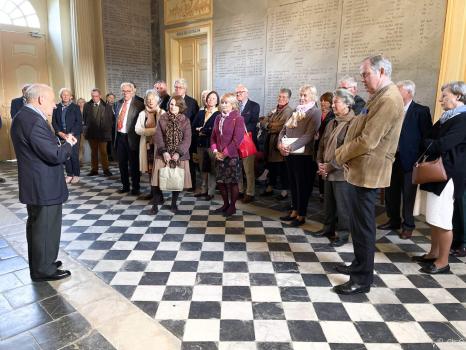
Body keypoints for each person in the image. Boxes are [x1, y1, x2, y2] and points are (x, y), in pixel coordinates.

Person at [333, 55, 404, 295]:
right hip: (360, 168)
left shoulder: (390, 99)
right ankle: (358, 265)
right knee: (357, 223)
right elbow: (359, 127)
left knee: (363, 227)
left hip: (369, 170)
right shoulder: (379, 97)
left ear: (381, 71)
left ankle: (362, 280)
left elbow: (368, 139)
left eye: (365, 74)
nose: (363, 79)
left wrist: (340, 154)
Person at [10, 83, 78, 281]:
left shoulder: (24, 116)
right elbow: (55, 155)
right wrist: (68, 145)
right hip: (43, 185)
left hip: (38, 183)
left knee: (38, 227)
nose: (55, 105)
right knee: (45, 228)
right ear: (40, 100)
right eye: (52, 100)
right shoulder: (33, 120)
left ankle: (42, 262)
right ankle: (43, 270)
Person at [412, 81, 466, 274]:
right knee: (433, 217)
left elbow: (441, 144)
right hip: (436, 172)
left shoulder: (463, 119)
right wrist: (431, 142)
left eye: (445, 95)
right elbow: (427, 137)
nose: (440, 99)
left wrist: (431, 143)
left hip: (448, 175)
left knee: (443, 220)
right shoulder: (446, 118)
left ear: (458, 97)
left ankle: (443, 261)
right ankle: (433, 253)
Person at [378, 80, 432, 239]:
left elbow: (426, 137)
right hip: (391, 158)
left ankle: (408, 225)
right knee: (391, 192)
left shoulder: (421, 111)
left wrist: (420, 159)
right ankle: (393, 219)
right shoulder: (392, 109)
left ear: (408, 93)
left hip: (411, 160)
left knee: (408, 195)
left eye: (398, 90)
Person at [313, 88, 356, 247]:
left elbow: (348, 150)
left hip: (341, 172)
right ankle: (328, 228)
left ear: (347, 104)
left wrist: (331, 166)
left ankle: (343, 234)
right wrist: (320, 162)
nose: (332, 106)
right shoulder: (332, 121)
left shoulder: (353, 123)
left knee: (343, 205)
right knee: (328, 203)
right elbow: (322, 144)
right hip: (327, 169)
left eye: (335, 102)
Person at [278, 85, 321, 227]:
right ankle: (294, 211)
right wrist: (280, 144)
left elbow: (308, 135)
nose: (302, 98)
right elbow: (284, 129)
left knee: (302, 186)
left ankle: (301, 214)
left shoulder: (314, 112)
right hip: (290, 154)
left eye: (305, 95)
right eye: (301, 95)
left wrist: (290, 147)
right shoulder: (296, 110)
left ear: (313, 97)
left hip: (304, 156)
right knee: (293, 184)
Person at [152, 95, 192, 214]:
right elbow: (158, 136)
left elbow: (187, 139)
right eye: (171, 104)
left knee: (177, 180)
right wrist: (164, 152)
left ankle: (174, 204)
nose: (172, 106)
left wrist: (178, 154)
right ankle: (155, 205)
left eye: (175, 104)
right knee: (156, 181)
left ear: (181, 106)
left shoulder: (185, 120)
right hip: (163, 153)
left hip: (180, 155)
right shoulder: (162, 118)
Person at [210, 93, 245, 217]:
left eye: (226, 103)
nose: (223, 105)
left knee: (232, 183)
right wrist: (215, 151)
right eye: (222, 102)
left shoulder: (238, 118)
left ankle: (232, 206)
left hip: (231, 156)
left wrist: (224, 154)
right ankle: (225, 204)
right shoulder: (218, 118)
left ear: (233, 105)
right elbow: (213, 137)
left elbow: (237, 140)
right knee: (221, 182)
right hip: (218, 155)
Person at [260, 88, 293, 199]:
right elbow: (263, 121)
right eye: (279, 96)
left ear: (288, 99)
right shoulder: (275, 109)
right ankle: (270, 187)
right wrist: (269, 124)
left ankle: (284, 192)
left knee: (282, 168)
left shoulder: (288, 111)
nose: (281, 99)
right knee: (272, 166)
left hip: (280, 143)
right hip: (270, 143)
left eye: (284, 97)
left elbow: (282, 126)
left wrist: (268, 126)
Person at [192, 90, 220, 200]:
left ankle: (211, 191)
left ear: (217, 101)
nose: (210, 100)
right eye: (209, 98)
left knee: (212, 168)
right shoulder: (200, 113)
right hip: (200, 144)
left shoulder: (218, 114)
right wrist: (202, 130)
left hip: (211, 145)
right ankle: (203, 189)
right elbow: (193, 126)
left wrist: (203, 130)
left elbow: (214, 130)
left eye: (213, 98)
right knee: (202, 168)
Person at [135, 90, 163, 199]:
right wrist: (153, 130)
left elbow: (162, 130)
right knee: (150, 171)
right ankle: (153, 193)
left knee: (158, 170)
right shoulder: (142, 113)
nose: (150, 101)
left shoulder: (162, 113)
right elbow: (137, 129)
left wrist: (147, 130)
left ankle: (159, 195)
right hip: (146, 146)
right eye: (148, 99)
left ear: (157, 100)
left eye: (153, 99)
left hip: (158, 146)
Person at [52, 88, 83, 184]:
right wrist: (59, 132)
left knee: (73, 155)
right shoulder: (56, 107)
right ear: (61, 96)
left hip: (73, 135)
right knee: (65, 155)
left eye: (67, 95)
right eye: (63, 95)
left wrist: (71, 134)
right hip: (62, 135)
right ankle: (69, 174)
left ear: (71, 97)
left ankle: (76, 175)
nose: (65, 96)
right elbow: (54, 121)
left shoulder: (75, 107)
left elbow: (78, 122)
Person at [173, 78, 200, 191]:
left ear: (185, 89)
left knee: (189, 162)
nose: (178, 89)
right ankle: (176, 183)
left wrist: (188, 132)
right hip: (174, 136)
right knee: (175, 159)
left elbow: (195, 119)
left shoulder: (192, 102)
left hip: (188, 136)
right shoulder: (171, 100)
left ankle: (190, 184)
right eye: (176, 87)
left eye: (180, 87)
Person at [236, 84, 260, 203]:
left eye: (241, 92)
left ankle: (250, 193)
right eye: (237, 92)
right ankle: (240, 190)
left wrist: (239, 129)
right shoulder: (234, 106)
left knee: (248, 169)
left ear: (247, 93)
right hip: (235, 142)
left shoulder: (254, 106)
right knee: (238, 168)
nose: (238, 94)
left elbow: (253, 123)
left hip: (247, 141)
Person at [83, 88, 113, 177]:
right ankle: (94, 170)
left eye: (96, 96)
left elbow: (110, 120)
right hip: (91, 133)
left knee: (103, 152)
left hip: (103, 134)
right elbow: (85, 119)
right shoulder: (87, 105)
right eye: (93, 96)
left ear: (100, 96)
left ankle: (106, 169)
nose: (94, 98)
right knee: (94, 152)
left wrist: (106, 131)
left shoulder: (107, 106)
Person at [316, 92, 335, 201]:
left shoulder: (332, 115)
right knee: (319, 166)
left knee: (324, 168)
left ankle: (325, 194)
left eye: (326, 101)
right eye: (322, 100)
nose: (323, 103)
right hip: (316, 144)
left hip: (325, 144)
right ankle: (321, 192)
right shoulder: (318, 113)